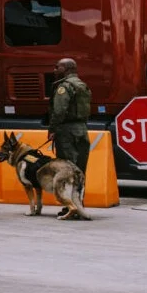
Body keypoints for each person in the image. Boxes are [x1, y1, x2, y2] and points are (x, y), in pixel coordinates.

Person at [46, 57, 92, 216]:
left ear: (66, 69)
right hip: (82, 129)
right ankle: (80, 205)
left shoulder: (64, 87)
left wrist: (52, 129)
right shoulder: (81, 85)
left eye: (57, 67)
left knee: (67, 170)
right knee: (80, 170)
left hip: (66, 131)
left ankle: (70, 207)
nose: (54, 70)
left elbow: (59, 111)